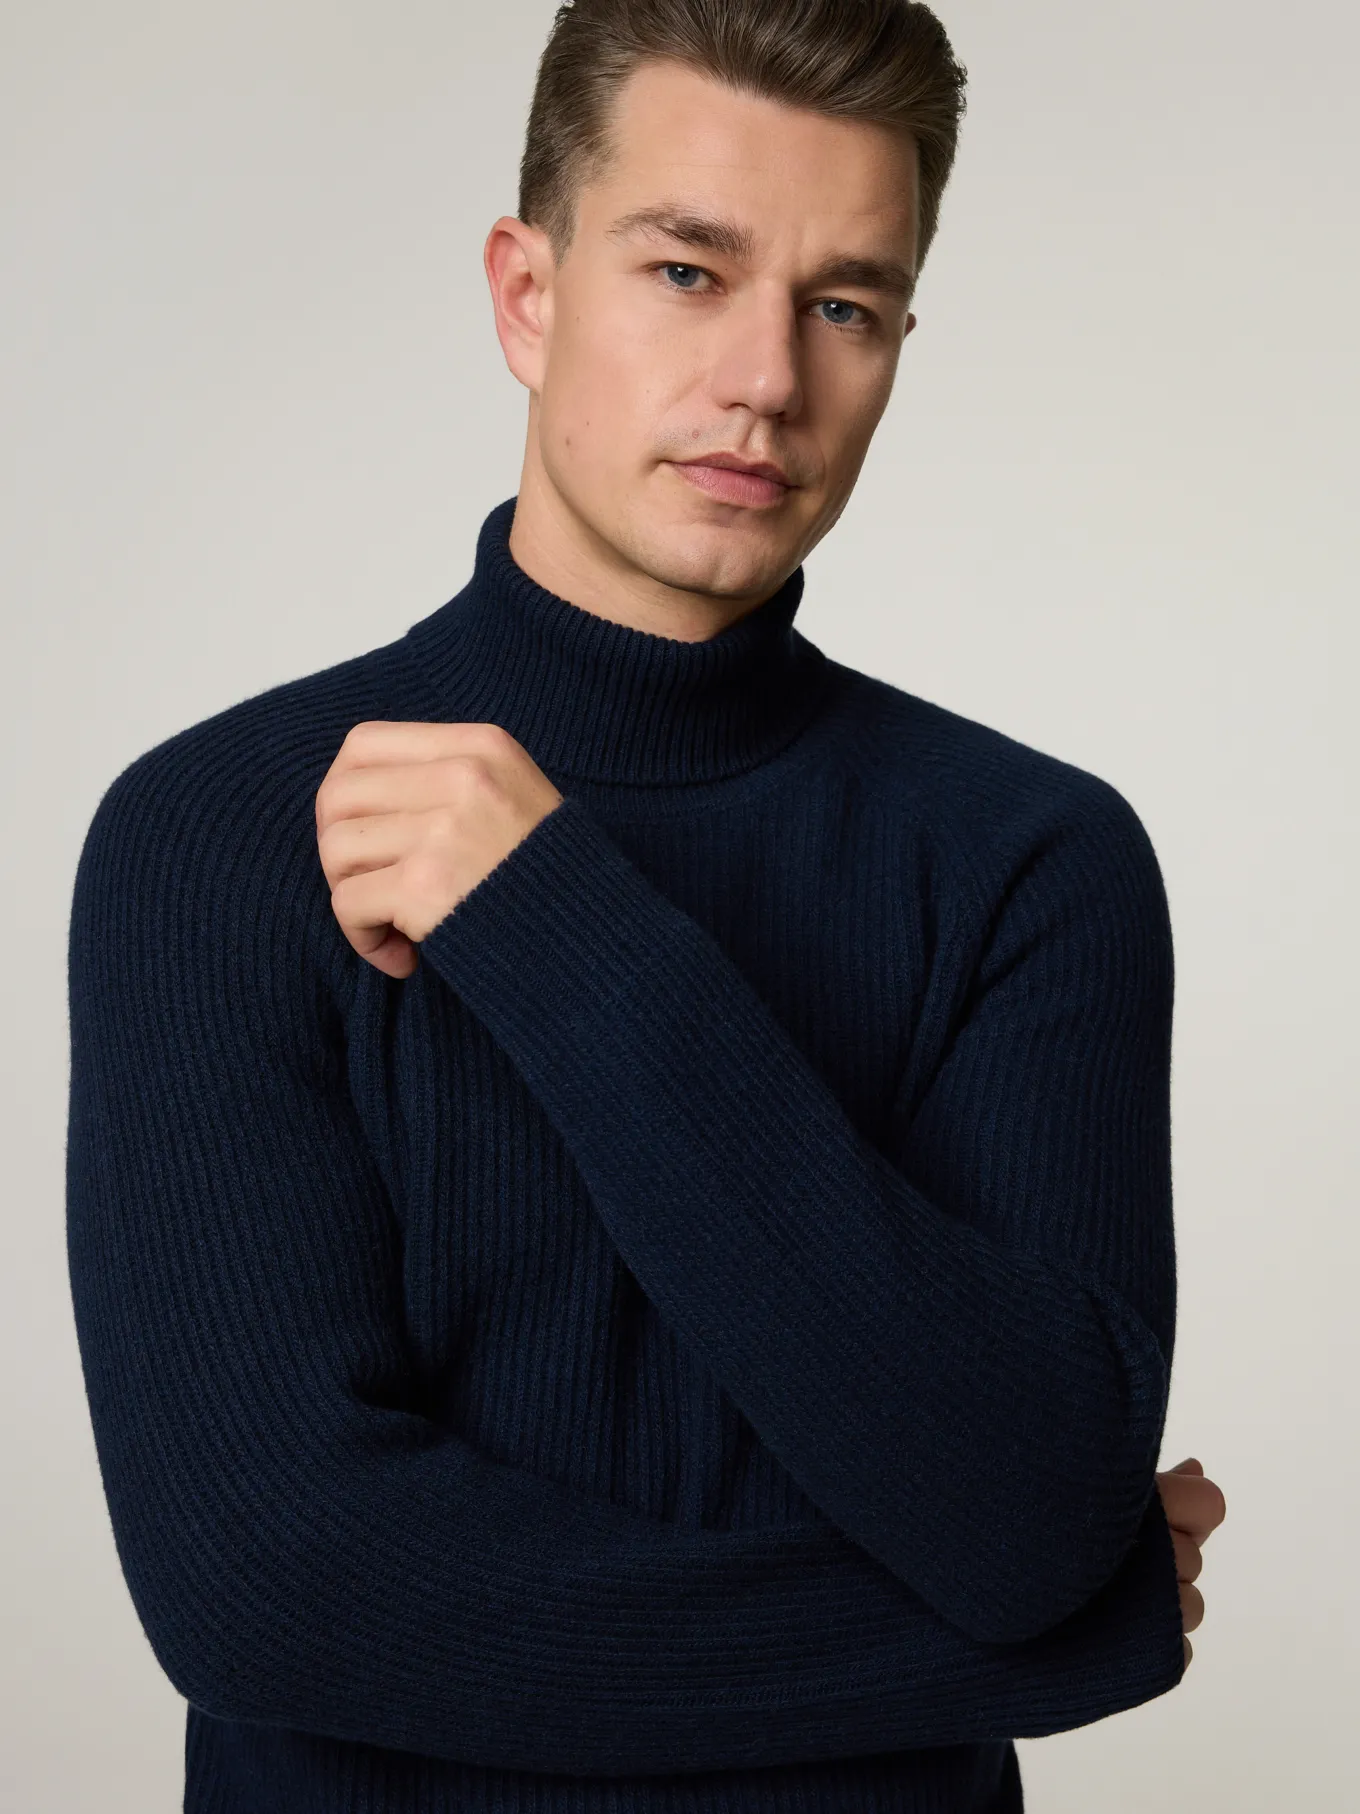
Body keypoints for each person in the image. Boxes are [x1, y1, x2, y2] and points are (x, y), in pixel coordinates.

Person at [65, 3, 1227, 1812]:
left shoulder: (1032, 862)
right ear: (528, 296)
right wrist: (1064, 1634)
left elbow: (1017, 1514)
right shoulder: (223, 834)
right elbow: (277, 1591)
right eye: (690, 270)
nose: (767, 377)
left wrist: (554, 927)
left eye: (845, 305)